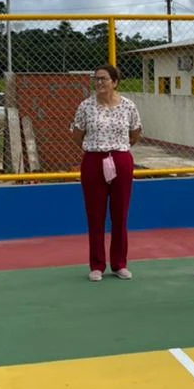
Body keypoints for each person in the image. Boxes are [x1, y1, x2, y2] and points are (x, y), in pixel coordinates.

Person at [71, 64, 143, 281]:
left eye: (104, 79)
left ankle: (119, 263)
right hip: (94, 160)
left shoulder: (128, 106)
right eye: (97, 79)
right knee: (95, 214)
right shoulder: (86, 106)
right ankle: (97, 265)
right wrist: (94, 147)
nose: (99, 83)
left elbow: (135, 132)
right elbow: (77, 134)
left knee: (120, 213)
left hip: (120, 160)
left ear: (115, 82)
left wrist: (118, 147)